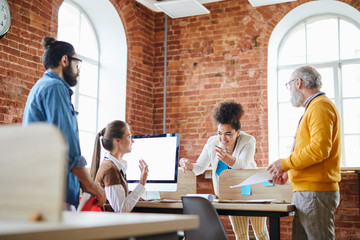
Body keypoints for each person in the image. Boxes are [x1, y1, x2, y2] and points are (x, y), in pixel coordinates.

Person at [22, 37, 106, 210]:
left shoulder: (40, 86)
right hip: (53, 194)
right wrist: (91, 186)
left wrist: (83, 185)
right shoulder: (55, 87)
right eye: (77, 63)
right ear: (65, 60)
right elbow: (67, 145)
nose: (78, 71)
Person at [267, 65, 341, 240]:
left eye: (289, 85)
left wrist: (285, 163)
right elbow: (312, 152)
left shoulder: (319, 107)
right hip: (308, 192)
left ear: (298, 83)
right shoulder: (314, 107)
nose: (289, 90)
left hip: (314, 193)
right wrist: (289, 174)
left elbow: (319, 150)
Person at [180, 101, 269, 240]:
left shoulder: (248, 141)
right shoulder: (212, 143)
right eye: (219, 133)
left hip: (251, 192)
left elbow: (243, 165)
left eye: (228, 134)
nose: (222, 138)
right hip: (230, 194)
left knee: (261, 234)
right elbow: (199, 168)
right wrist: (187, 164)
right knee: (240, 234)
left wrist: (227, 158)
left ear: (237, 133)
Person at [90, 120, 149, 212]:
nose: (132, 141)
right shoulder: (110, 169)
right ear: (117, 140)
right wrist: (142, 182)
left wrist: (131, 195)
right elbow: (122, 210)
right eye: (129, 137)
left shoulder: (112, 165)